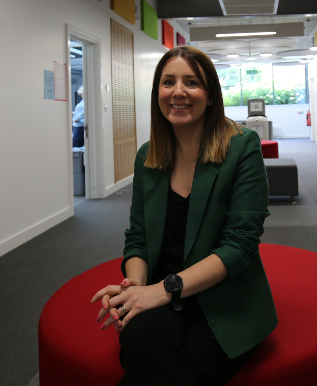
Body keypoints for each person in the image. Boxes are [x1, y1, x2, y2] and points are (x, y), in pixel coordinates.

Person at [90, 46, 277, 385]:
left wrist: (164, 289)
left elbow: (240, 246)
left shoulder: (242, 146)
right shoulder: (149, 155)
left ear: (210, 95)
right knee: (142, 345)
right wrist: (134, 286)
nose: (178, 92)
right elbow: (138, 239)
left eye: (191, 82)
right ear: (157, 94)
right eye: (168, 82)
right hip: (158, 292)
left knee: (163, 367)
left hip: (223, 299)